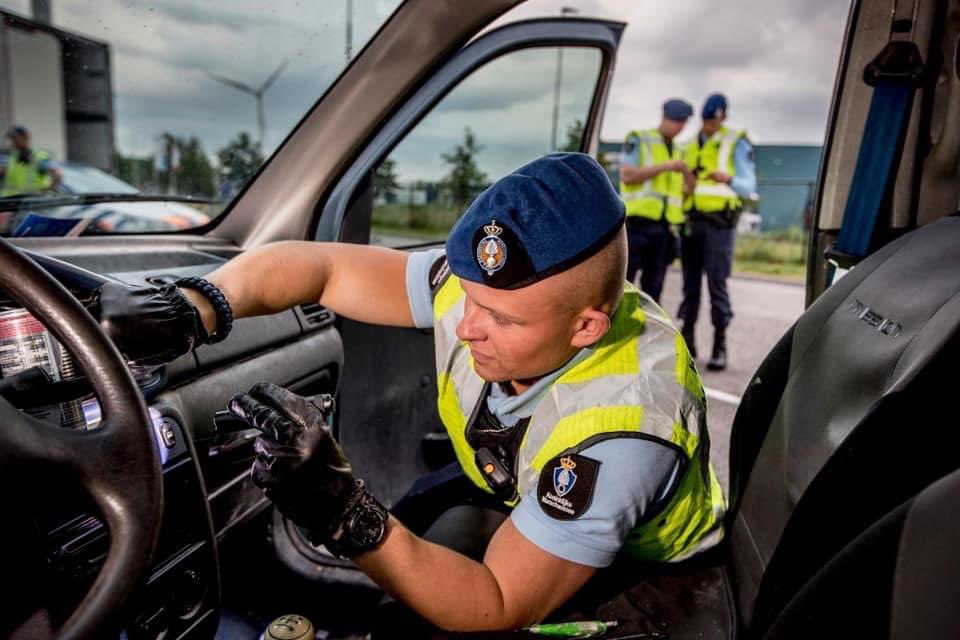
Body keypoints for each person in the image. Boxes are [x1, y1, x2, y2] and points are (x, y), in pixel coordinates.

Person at [91, 153, 725, 633]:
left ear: (586, 326)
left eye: (502, 321)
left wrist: (345, 512)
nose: (466, 324)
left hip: (647, 581)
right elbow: (323, 267)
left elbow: (495, 600)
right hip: (512, 487)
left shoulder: (624, 429)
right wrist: (201, 303)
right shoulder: (489, 290)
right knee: (417, 523)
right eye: (471, 299)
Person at [678, 94, 757, 371]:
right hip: (691, 221)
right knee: (689, 286)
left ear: (723, 118)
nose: (711, 126)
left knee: (716, 284)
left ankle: (719, 345)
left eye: (715, 121)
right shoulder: (687, 144)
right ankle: (687, 342)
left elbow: (749, 187)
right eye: (707, 121)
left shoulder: (735, 140)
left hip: (719, 225)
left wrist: (729, 178)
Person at [619, 98, 694, 302]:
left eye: (683, 123)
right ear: (665, 118)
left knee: (654, 288)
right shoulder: (639, 138)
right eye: (677, 121)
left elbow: (687, 190)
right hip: (636, 224)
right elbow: (627, 175)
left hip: (664, 228)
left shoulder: (681, 151)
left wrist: (687, 173)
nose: (680, 127)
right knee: (624, 285)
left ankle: (647, 332)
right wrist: (666, 166)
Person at [0, 125, 62, 196]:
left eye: (15, 138)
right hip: (12, 203)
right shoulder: (13, 158)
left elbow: (57, 175)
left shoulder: (40, 158)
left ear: (26, 138)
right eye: (11, 139)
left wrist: (46, 190)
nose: (13, 142)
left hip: (33, 203)